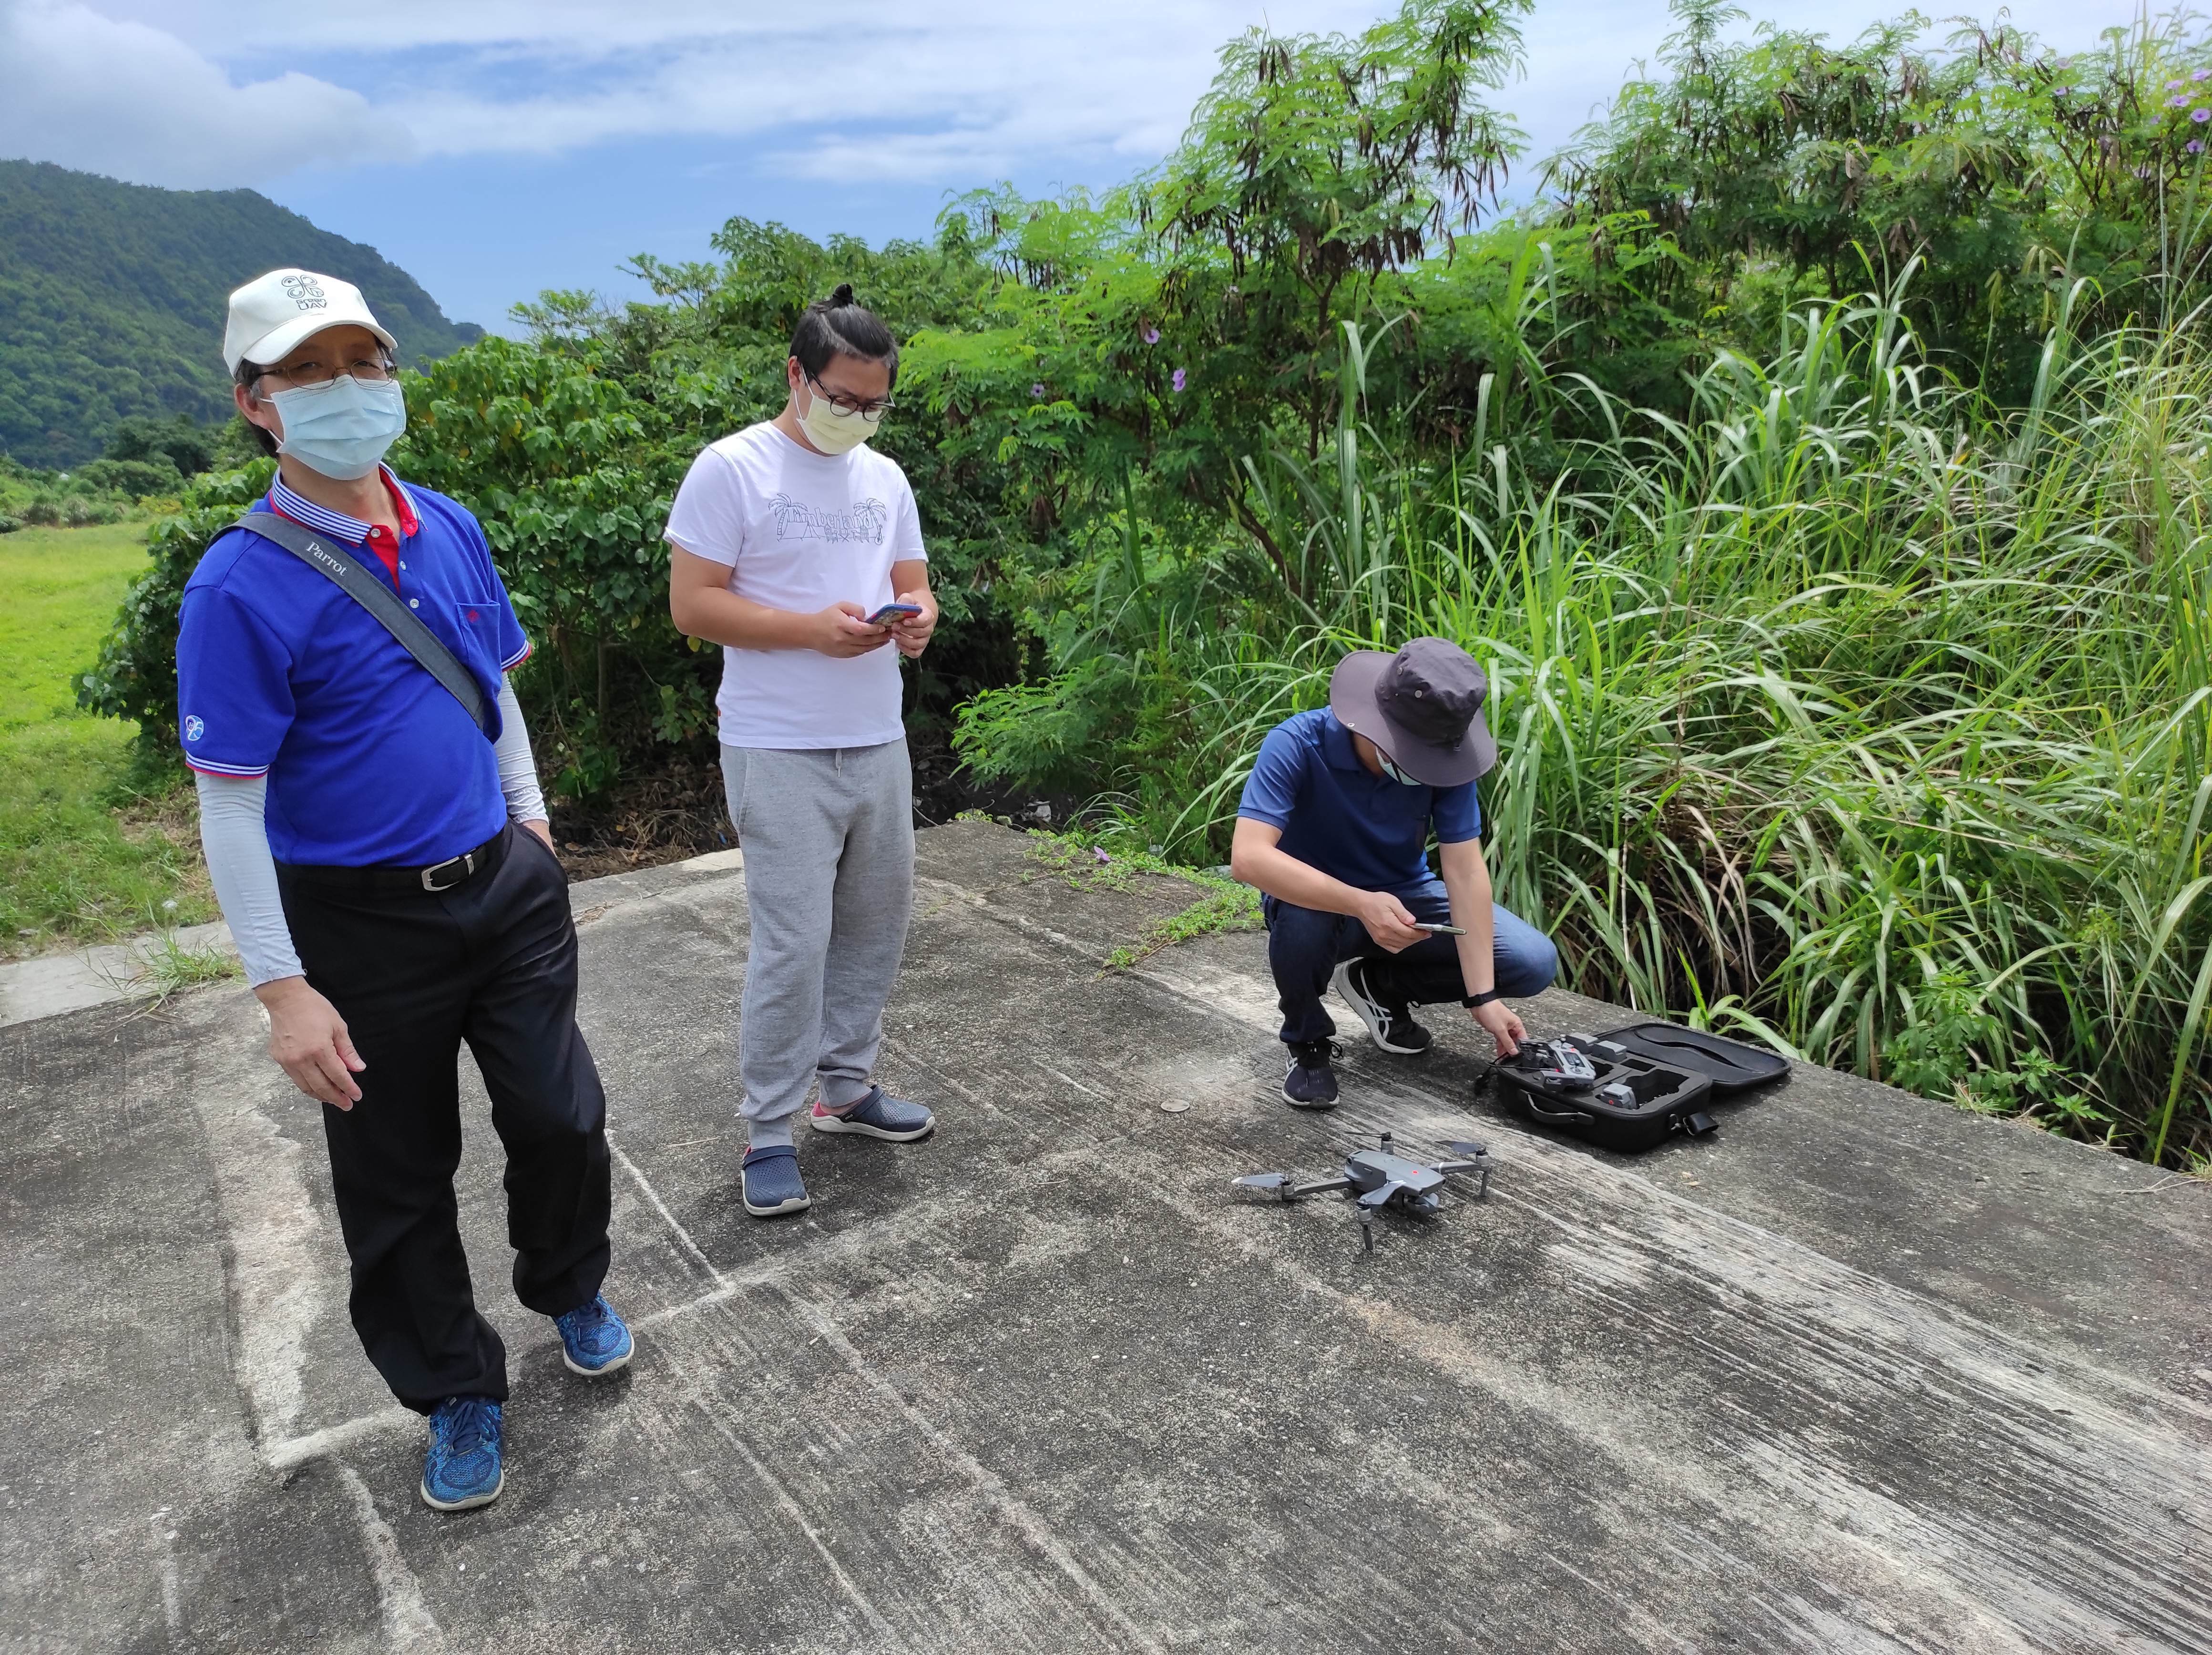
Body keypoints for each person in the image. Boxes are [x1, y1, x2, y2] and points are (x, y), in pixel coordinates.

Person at [177, 268, 631, 1514]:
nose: (345, 390)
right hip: (361, 927)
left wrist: (534, 827)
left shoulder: (448, 524)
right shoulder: (237, 585)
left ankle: (567, 1283)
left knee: (560, 1115)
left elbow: (494, 685)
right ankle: (455, 1390)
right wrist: (282, 990)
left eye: (362, 362)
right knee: (396, 1174)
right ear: (255, 403)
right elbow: (228, 801)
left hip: (505, 884)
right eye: (306, 371)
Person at [665, 284, 939, 1219]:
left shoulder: (884, 478)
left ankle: (847, 1090)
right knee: (793, 943)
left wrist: (916, 624)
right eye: (841, 398)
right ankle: (769, 1128)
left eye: (873, 403)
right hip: (776, 743)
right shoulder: (731, 469)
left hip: (875, 736)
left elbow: (912, 582)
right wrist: (808, 631)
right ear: (797, 374)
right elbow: (692, 605)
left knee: (874, 924)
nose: (855, 417)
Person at [1229, 636, 1559, 1107]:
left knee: (1531, 960)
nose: (1422, 769)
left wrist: (1482, 996)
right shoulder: (1296, 744)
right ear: (1376, 725)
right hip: (1318, 904)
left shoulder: (1444, 763)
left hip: (1407, 898)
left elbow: (1464, 872)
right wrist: (1359, 902)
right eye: (1413, 756)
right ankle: (1307, 1045)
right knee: (1305, 920)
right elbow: (1249, 858)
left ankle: (1379, 987)